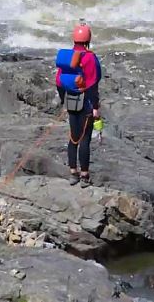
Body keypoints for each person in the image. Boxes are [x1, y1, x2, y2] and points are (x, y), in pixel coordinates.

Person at [54, 22, 102, 187]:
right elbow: (93, 84)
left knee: (73, 138)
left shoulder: (67, 57)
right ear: (88, 39)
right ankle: (84, 176)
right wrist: (95, 107)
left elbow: (59, 82)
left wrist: (64, 101)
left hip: (70, 102)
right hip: (86, 103)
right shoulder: (89, 57)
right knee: (85, 139)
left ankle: (73, 173)